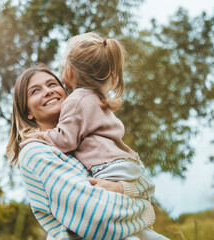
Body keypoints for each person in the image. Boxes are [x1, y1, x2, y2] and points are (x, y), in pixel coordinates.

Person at [6, 63, 159, 239]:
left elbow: (147, 185)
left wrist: (119, 187)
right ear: (27, 113)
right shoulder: (35, 152)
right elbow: (98, 216)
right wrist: (145, 208)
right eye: (35, 91)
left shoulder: (89, 140)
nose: (48, 91)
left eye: (52, 84)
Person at [39, 32, 167, 239]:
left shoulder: (76, 100)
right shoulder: (98, 99)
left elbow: (65, 140)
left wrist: (39, 136)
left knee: (111, 224)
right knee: (129, 226)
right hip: (124, 165)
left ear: (69, 71)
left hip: (107, 169)